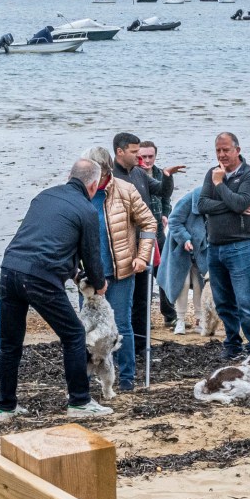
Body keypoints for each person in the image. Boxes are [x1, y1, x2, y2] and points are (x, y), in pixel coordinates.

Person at [0, 160, 112, 420]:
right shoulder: (87, 209)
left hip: (10, 268)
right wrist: (99, 282)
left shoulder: (44, 196)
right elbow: (92, 257)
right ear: (93, 186)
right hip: (40, 276)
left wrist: (73, 272)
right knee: (73, 335)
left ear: (68, 176)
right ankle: (80, 402)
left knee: (10, 344)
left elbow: (47, 239)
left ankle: (5, 407)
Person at [91, 145, 159, 393]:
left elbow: (149, 222)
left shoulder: (125, 190)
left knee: (121, 324)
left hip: (120, 272)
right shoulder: (80, 191)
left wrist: (142, 256)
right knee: (89, 328)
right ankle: (88, 376)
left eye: (92, 172)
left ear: (105, 170)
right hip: (89, 277)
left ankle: (127, 377)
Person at [198, 131, 250, 360]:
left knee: (245, 299)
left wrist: (220, 185)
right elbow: (202, 204)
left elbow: (241, 202)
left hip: (240, 245)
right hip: (214, 245)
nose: (222, 155)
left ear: (237, 150)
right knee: (223, 299)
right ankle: (233, 343)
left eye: (226, 150)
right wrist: (231, 205)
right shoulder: (212, 172)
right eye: (218, 150)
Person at [110, 133, 160, 373]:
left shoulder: (139, 173)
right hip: (120, 249)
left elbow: (151, 213)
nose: (138, 156)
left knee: (142, 297)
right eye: (133, 151)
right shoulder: (110, 177)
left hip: (142, 245)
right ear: (120, 151)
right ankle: (118, 349)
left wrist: (168, 178)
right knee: (121, 305)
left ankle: (140, 344)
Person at [140, 140, 185, 327]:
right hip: (141, 234)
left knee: (165, 273)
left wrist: (166, 214)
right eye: (143, 157)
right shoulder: (134, 175)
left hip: (159, 230)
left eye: (151, 156)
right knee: (143, 277)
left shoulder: (160, 173)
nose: (147, 160)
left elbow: (166, 199)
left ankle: (169, 314)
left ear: (155, 156)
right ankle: (143, 318)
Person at [162, 183, 213, 334]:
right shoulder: (188, 200)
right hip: (181, 249)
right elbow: (174, 221)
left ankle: (199, 320)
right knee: (181, 284)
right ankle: (180, 321)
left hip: (202, 251)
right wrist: (185, 239)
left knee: (200, 284)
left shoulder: (214, 202)